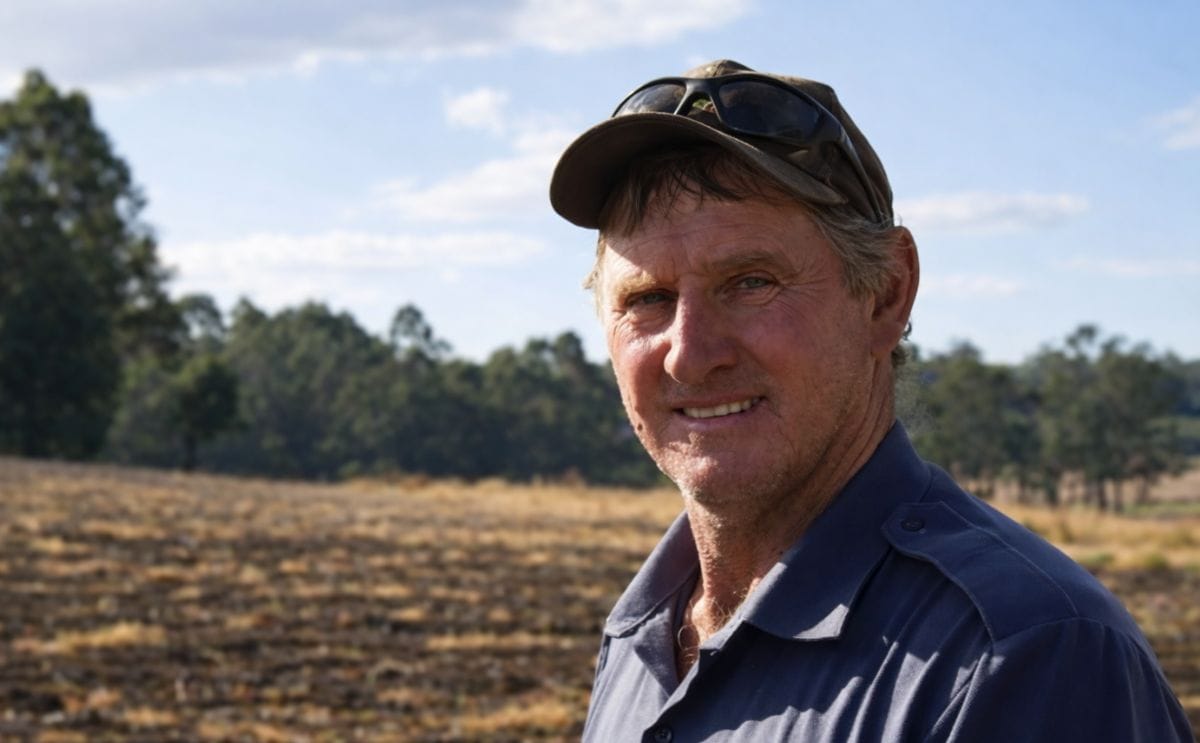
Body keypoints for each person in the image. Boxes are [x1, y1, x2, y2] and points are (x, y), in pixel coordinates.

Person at [548, 59, 1193, 742]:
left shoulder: (1025, 655)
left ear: (887, 292)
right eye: (648, 298)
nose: (690, 351)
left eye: (751, 281)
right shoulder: (640, 635)